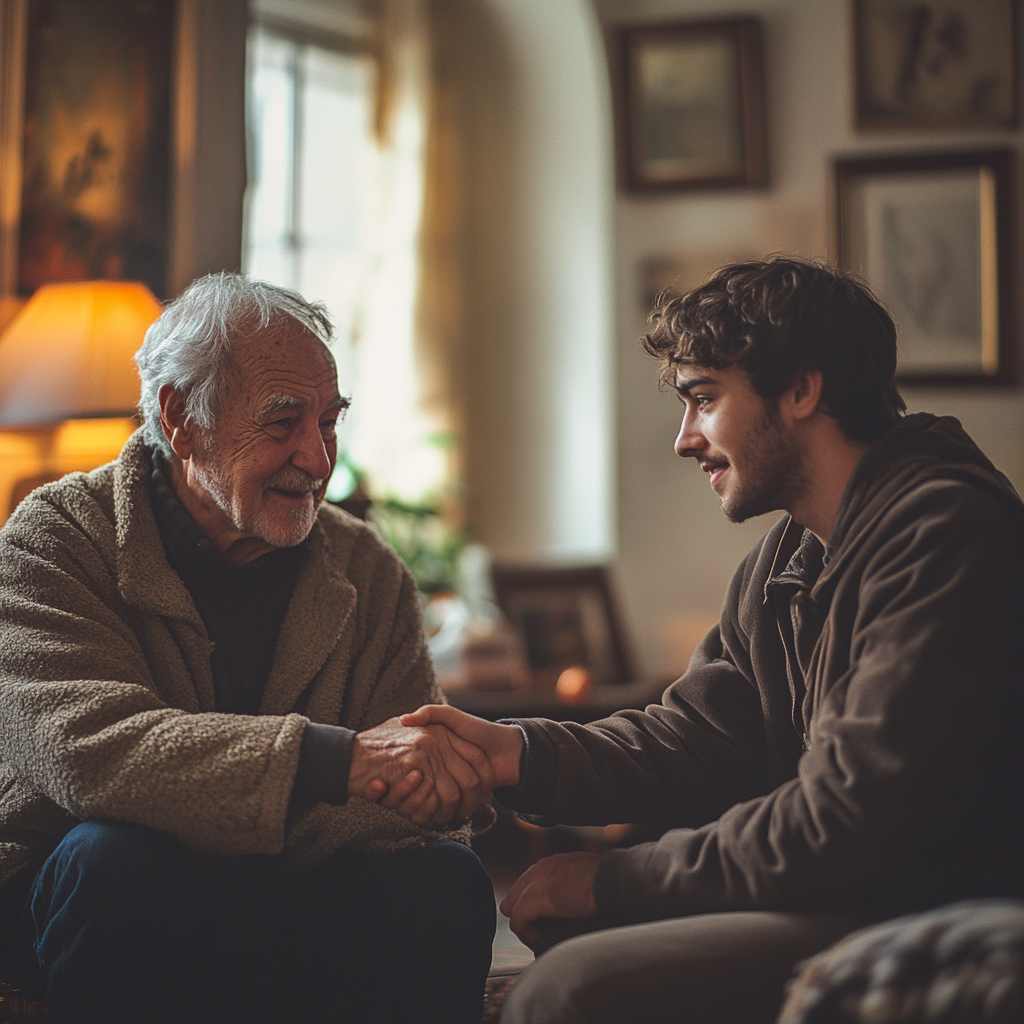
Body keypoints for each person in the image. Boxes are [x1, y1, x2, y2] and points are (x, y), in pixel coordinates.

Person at [372, 257, 1024, 1023]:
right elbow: (694, 738)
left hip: (932, 912)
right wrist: (514, 753)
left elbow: (844, 823)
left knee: (567, 991)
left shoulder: (943, 535)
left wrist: (611, 881)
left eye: (705, 401)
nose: (686, 440)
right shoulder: (789, 557)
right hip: (848, 892)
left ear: (803, 390)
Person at [0, 273, 497, 1024]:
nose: (317, 458)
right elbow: (90, 756)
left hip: (288, 893)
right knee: (118, 856)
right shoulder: (54, 542)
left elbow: (420, 804)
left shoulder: (366, 569)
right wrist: (341, 765)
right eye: (282, 422)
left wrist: (207, 804)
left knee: (446, 880)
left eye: (329, 421)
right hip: (81, 890)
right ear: (181, 418)